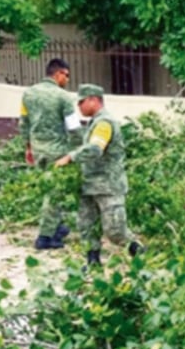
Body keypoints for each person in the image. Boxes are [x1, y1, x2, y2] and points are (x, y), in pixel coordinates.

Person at [53, 84, 143, 268]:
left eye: (81, 102)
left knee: (115, 231)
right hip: (89, 185)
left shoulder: (104, 123)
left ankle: (139, 252)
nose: (79, 107)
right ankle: (93, 262)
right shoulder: (94, 122)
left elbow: (95, 149)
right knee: (87, 226)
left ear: (94, 100)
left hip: (108, 186)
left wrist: (70, 157)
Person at [20, 58, 83, 250]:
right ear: (58, 74)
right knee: (55, 194)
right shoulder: (63, 97)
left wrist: (28, 147)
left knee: (49, 191)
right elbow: (73, 128)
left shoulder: (28, 94)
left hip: (38, 150)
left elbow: (24, 123)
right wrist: (78, 150)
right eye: (67, 76)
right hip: (58, 152)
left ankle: (57, 227)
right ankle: (45, 237)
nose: (68, 80)